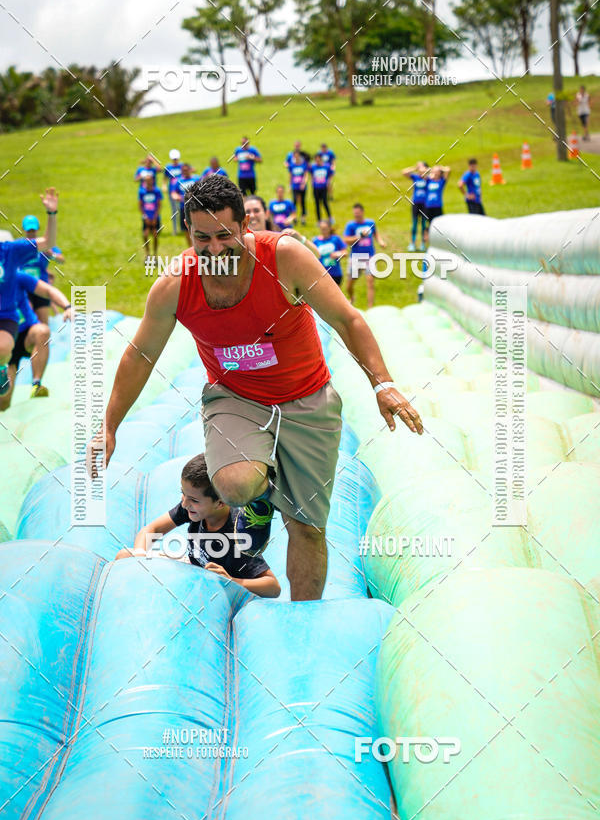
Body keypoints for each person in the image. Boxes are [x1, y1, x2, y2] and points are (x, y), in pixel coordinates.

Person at [88, 175, 422, 601]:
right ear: (187, 231)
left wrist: (383, 384)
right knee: (233, 485)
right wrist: (110, 425)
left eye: (224, 235)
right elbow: (140, 354)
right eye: (201, 237)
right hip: (236, 398)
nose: (213, 249)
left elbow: (347, 319)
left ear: (245, 223)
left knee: (306, 527)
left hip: (308, 400)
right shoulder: (175, 284)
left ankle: (303, 621)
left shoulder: (285, 258)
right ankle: (262, 498)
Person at [115, 454, 281, 597]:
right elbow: (152, 530)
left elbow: (273, 587)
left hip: (215, 587)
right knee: (126, 556)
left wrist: (231, 581)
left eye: (194, 500)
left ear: (221, 502)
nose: (185, 504)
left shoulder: (239, 535)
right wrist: (140, 558)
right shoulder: (192, 509)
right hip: (192, 568)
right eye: (183, 494)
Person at [0, 188, 58, 401]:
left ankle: (34, 381)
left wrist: (51, 215)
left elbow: (48, 243)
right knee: (3, 405)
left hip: (8, 323)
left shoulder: (10, 251)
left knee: (38, 332)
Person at [3, 273, 72, 406]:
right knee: (4, 403)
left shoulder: (17, 276)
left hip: (26, 334)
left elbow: (48, 290)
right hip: (5, 347)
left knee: (42, 331)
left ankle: (36, 384)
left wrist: (67, 307)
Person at [20, 215, 66, 323]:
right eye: (29, 230)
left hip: (41, 286)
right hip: (24, 288)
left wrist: (52, 254)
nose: (31, 233)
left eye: (33, 230)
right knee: (28, 321)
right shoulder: (20, 245)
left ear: (38, 229)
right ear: (23, 229)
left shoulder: (43, 244)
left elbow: (62, 259)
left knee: (44, 323)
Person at [245, 194, 320, 258]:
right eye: (247, 212)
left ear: (267, 214)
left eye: (256, 211)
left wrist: (300, 239)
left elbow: (316, 255)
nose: (252, 215)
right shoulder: (239, 244)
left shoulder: (281, 239)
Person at [343, 203, 386, 309]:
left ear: (362, 212)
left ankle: (370, 308)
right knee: (349, 285)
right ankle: (352, 297)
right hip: (356, 258)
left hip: (369, 257)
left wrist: (380, 242)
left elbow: (376, 233)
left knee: (370, 282)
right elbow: (347, 240)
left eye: (358, 213)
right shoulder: (351, 225)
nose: (356, 215)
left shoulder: (370, 223)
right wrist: (359, 236)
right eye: (355, 214)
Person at [401, 161, 428, 252]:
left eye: (421, 167)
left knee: (424, 224)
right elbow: (404, 172)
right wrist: (415, 168)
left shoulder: (429, 178)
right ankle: (412, 243)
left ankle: (423, 244)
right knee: (415, 224)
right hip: (416, 203)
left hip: (425, 204)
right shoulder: (416, 177)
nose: (420, 169)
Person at [423, 165, 451, 247]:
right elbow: (422, 174)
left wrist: (440, 168)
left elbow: (448, 170)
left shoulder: (441, 181)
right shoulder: (428, 181)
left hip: (437, 206)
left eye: (437, 171)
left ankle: (439, 242)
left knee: (439, 225)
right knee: (430, 225)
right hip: (428, 206)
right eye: (434, 171)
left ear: (440, 173)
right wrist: (430, 171)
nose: (435, 173)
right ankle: (429, 241)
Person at [312, 219, 346, 286]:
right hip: (321, 274)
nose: (323, 231)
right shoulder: (315, 241)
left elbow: (345, 252)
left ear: (330, 228)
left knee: (335, 296)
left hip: (335, 273)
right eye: (322, 228)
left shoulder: (336, 239)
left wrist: (338, 254)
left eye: (325, 229)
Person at [175, 164, 201, 246]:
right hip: (184, 208)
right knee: (186, 229)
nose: (185, 172)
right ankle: (190, 247)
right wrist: (178, 197)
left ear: (190, 170)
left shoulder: (196, 179)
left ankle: (198, 245)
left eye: (186, 170)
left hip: (196, 208)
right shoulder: (179, 181)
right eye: (183, 171)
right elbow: (173, 193)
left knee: (197, 227)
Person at [139, 173, 163, 258]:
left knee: (155, 235)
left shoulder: (157, 191)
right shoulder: (142, 191)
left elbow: (159, 204)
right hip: (146, 217)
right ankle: (147, 253)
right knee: (145, 235)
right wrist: (145, 217)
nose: (148, 182)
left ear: (152, 181)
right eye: (147, 181)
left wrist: (155, 217)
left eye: (150, 181)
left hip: (155, 217)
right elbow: (140, 205)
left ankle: (155, 253)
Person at [164, 148, 184, 234]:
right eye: (174, 159)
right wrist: (164, 186)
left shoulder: (182, 166)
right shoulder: (168, 167)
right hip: (172, 191)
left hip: (181, 191)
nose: (175, 160)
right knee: (174, 211)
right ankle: (175, 230)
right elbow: (165, 178)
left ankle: (183, 228)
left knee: (182, 210)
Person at [310, 153, 334, 222]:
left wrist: (328, 183)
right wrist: (312, 181)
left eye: (318, 159)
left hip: (324, 188)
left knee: (325, 202)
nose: (317, 161)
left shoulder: (326, 167)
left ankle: (330, 217)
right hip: (316, 188)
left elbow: (330, 174)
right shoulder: (313, 167)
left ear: (321, 159)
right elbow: (310, 173)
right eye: (316, 160)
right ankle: (319, 220)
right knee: (317, 204)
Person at [289, 152, 309, 225]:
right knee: (294, 202)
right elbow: (290, 175)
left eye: (297, 156)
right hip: (295, 186)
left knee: (303, 202)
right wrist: (290, 186)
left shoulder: (303, 165)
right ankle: (294, 217)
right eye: (295, 156)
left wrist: (304, 183)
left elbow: (306, 175)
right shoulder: (292, 165)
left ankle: (303, 218)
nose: (296, 158)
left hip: (302, 186)